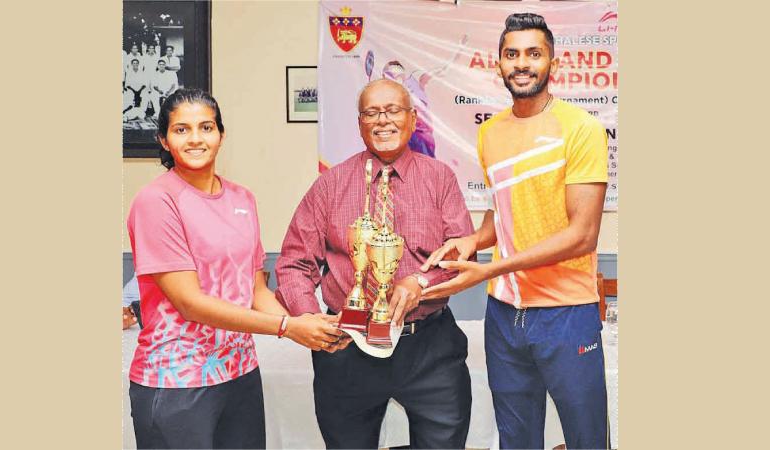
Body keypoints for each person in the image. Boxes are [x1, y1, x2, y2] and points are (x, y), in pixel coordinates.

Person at [420, 13, 610, 450]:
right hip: (504, 317)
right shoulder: (490, 132)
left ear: (553, 64)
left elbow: (583, 235)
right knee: (516, 440)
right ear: (499, 64)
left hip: (566, 313)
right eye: (512, 54)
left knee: (587, 440)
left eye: (533, 54)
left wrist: (489, 269)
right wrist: (473, 241)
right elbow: (503, 212)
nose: (521, 63)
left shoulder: (581, 129)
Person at [127, 88, 342, 449]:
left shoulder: (242, 198)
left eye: (206, 127)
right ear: (163, 140)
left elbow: (255, 290)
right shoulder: (156, 201)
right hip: (177, 380)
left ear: (221, 135)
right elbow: (190, 303)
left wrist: (311, 325)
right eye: (181, 130)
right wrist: (289, 327)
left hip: (239, 373)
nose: (196, 138)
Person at [275, 79, 474, 449]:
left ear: (413, 119)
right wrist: (311, 320)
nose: (383, 120)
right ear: (359, 123)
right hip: (346, 349)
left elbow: (461, 254)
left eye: (393, 110)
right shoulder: (330, 185)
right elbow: (293, 263)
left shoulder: (439, 179)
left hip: (428, 348)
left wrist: (421, 282)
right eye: (371, 112)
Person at [370, 34, 467, 158]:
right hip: (402, 138)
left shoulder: (415, 80)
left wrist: (459, 49)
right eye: (387, 76)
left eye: (393, 73)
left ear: (402, 72)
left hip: (422, 136)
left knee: (427, 169)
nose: (391, 78)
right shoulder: (389, 98)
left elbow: (443, 69)